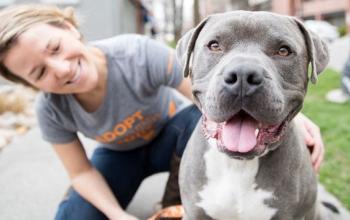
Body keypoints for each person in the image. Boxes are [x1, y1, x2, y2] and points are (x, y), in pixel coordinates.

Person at [0, 4, 325, 220]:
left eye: (54, 48)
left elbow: (206, 96)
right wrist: (119, 216)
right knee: (74, 216)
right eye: (39, 73)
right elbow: (81, 173)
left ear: (68, 27)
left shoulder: (137, 53)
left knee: (197, 116)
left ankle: (178, 201)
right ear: (29, 84)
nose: (60, 69)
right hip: (120, 154)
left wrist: (288, 116)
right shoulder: (51, 109)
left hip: (172, 137)